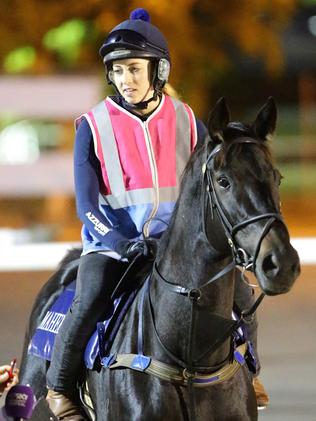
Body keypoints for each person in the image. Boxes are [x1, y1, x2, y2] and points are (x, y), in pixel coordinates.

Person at [45, 8, 268, 420]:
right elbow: (86, 205)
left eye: (134, 68)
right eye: (116, 70)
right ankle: (59, 387)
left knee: (241, 293)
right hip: (115, 246)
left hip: (177, 245)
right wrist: (117, 242)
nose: (125, 79)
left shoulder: (187, 120)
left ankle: (248, 373)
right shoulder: (91, 126)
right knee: (89, 298)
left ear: (158, 69)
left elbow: (208, 185)